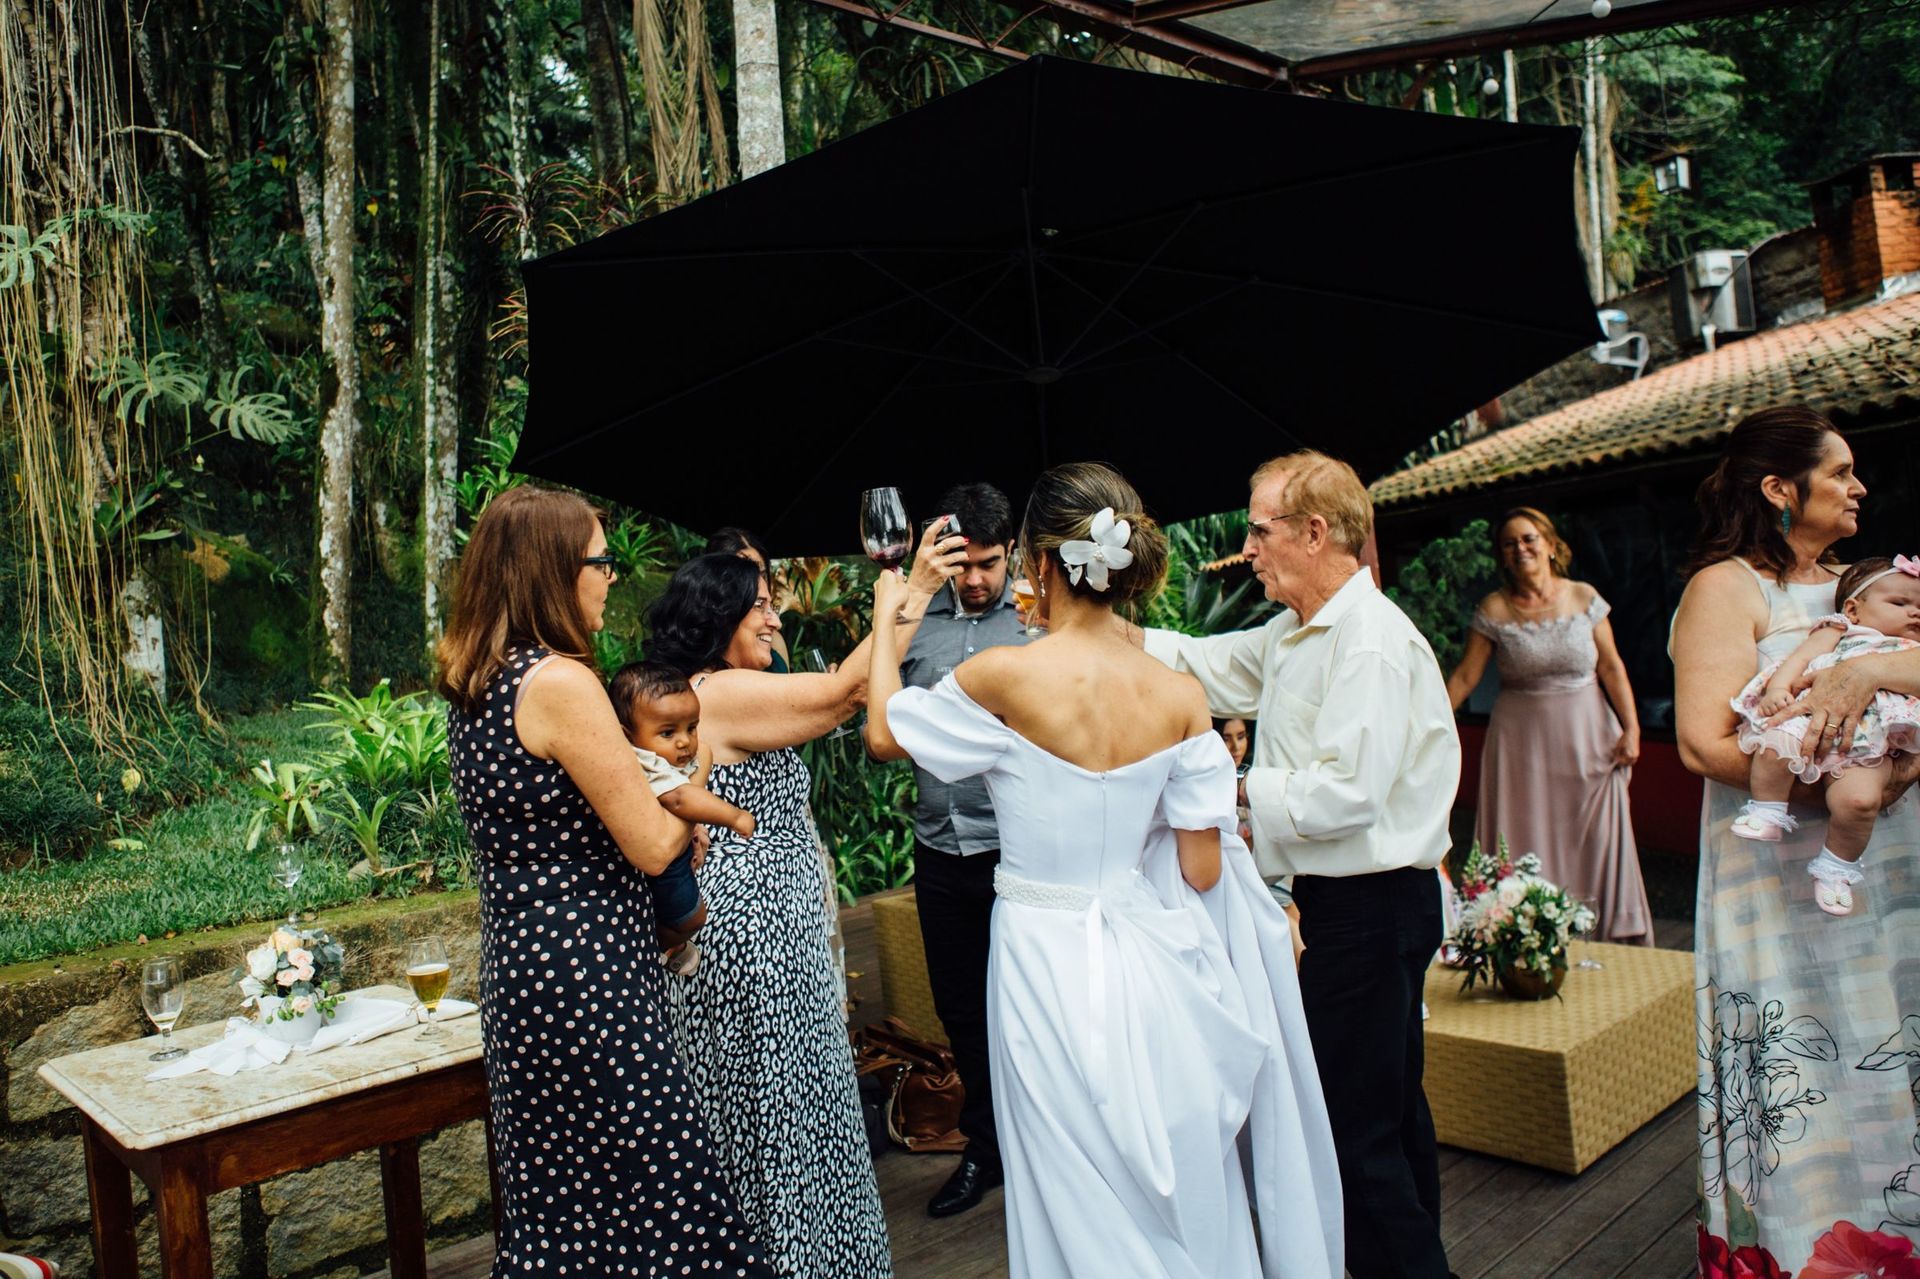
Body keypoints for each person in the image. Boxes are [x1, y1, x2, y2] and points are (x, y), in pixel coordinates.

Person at [866, 461, 1343, 1278]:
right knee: (1156, 1154)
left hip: (1038, 954)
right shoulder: (1179, 696)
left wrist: (888, 618)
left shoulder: (1003, 677)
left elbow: (884, 734)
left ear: (1039, 564)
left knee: (1063, 1171)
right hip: (1151, 958)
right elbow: (1201, 869)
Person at [437, 487, 772, 1278]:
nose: (612, 575)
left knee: (567, 1214)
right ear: (554, 571)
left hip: (524, 973)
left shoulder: (477, 677)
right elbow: (654, 844)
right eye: (601, 560)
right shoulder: (559, 681)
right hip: (590, 978)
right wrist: (695, 773)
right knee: (673, 1208)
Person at [1142, 450, 1459, 1279]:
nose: (1247, 548)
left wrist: (1230, 787)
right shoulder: (1294, 634)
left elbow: (1349, 794)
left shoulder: (1370, 643)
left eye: (1259, 529)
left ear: (1314, 533)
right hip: (1358, 904)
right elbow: (1205, 663)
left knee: (1354, 1134)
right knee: (1393, 1118)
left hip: (1371, 907)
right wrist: (1111, 633)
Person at [1672, 407, 1920, 1275]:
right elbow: (1702, 743)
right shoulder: (1728, 588)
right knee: (1807, 1062)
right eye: (1840, 472)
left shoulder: (1870, 583)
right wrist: (1846, 777)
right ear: (1781, 488)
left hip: (1886, 863)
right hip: (1775, 877)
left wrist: (1872, 677)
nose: (1859, 487)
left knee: (1889, 1036)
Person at [647, 552, 893, 1278]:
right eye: (758, 603)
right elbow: (849, 692)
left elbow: (838, 698)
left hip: (779, 928)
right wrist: (906, 594)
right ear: (717, 615)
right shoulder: (715, 691)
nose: (774, 614)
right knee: (778, 1107)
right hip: (751, 936)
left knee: (797, 1098)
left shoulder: (731, 686)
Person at [877, 482, 1035, 1219]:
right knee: (963, 1011)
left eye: (989, 563)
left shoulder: (1036, 624)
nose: (975, 578)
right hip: (939, 849)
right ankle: (987, 1148)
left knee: (1029, 1009)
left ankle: (1044, 1149)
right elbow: (871, 703)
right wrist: (908, 596)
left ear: (1013, 554)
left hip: (1018, 850)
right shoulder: (914, 622)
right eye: (962, 563)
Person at [1444, 507, 1652, 945]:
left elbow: (1612, 667)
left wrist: (1632, 728)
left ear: (1551, 545)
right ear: (1502, 556)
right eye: (1509, 543)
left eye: (1529, 539)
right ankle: (1526, 937)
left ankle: (1604, 935)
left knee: (1595, 838)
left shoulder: (1583, 597)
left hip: (1588, 739)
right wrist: (1426, 725)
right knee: (1524, 835)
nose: (1520, 549)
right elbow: (1465, 677)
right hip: (1521, 748)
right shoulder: (1494, 608)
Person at [1729, 556, 1920, 915]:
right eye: (1900, 603)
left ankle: (1836, 868)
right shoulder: (1841, 630)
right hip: (1809, 720)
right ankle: (1768, 809)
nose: (1915, 613)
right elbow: (1799, 660)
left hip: (1870, 745)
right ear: (1853, 609)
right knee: (1776, 745)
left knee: (1860, 802)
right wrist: (1779, 689)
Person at [607, 660, 756, 971]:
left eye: (691, 727)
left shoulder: (663, 756)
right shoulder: (645, 761)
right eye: (667, 732)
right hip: (665, 867)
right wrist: (734, 816)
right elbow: (679, 798)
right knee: (692, 918)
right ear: (627, 736)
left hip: (673, 855)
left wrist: (695, 829)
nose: (685, 741)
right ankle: (654, 947)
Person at [707, 526, 791, 670]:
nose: (758, 582)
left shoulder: (774, 640)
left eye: (762, 574)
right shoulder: (704, 670)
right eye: (744, 572)